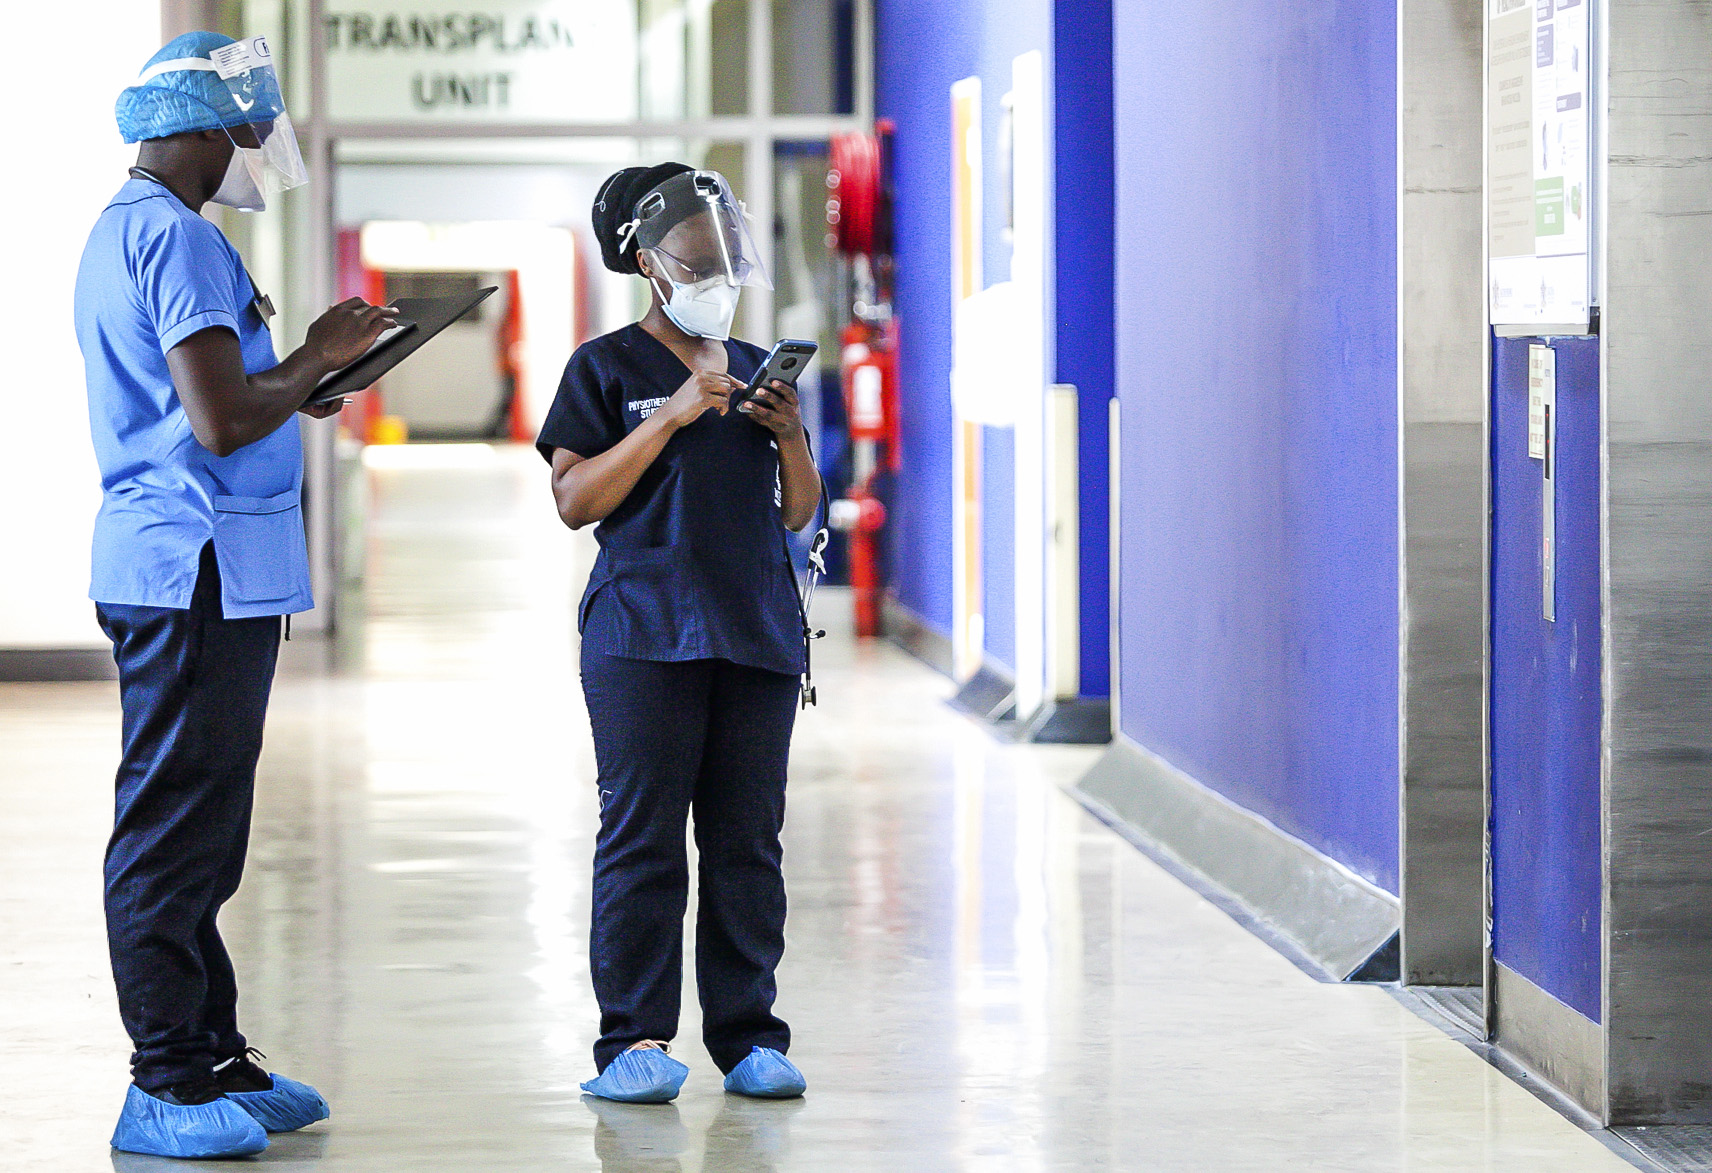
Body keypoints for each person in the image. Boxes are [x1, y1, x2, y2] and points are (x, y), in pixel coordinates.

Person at [75, 31, 398, 1159]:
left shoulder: (162, 232)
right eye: (249, 132)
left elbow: (224, 402)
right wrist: (313, 354)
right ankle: (162, 1080)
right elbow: (216, 420)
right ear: (205, 126)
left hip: (218, 567)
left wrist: (296, 385)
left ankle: (211, 1054)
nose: (255, 154)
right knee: (172, 829)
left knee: (210, 831)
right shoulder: (169, 237)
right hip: (188, 567)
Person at [538, 163, 823, 1103]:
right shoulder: (604, 368)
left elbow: (798, 515)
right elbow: (576, 499)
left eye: (721, 256)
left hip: (754, 633)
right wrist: (667, 417)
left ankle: (748, 1038)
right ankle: (632, 1040)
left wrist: (786, 435)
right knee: (644, 838)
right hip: (642, 634)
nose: (715, 276)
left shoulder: (752, 369)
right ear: (648, 264)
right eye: (696, 259)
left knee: (748, 842)